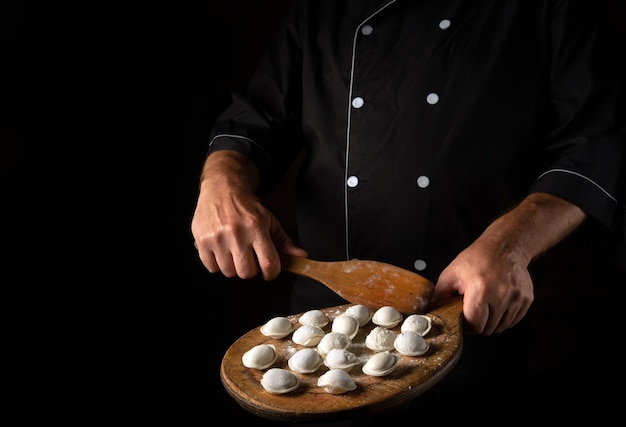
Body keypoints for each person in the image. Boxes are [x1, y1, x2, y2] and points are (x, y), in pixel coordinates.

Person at [192, 0, 625, 423]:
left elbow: (593, 145)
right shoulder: (320, 8)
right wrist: (221, 180)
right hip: (316, 334)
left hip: (471, 322)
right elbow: (256, 119)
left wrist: (510, 244)